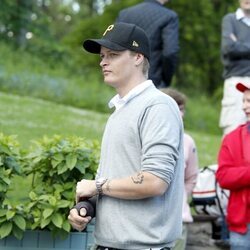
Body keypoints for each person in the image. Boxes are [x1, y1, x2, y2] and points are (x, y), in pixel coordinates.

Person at [68, 22, 184, 250]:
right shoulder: (118, 113)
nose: (103, 62)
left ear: (138, 57)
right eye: (102, 56)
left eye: (113, 54)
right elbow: (109, 183)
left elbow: (155, 181)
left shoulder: (157, 106)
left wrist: (97, 186)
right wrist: (86, 208)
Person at [161, 88, 199, 250]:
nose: (180, 114)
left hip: (178, 220)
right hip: (151, 221)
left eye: (182, 109)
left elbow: (191, 177)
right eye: (175, 107)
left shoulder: (188, 141)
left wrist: (181, 197)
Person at [216, 82, 250, 249]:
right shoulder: (232, 138)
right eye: (244, 101)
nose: (245, 106)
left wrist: (241, 174)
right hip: (242, 226)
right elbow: (223, 176)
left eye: (249, 101)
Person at [116, 0, 179, 88]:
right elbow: (169, 52)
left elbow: (115, 45)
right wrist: (165, 80)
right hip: (152, 80)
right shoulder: (169, 16)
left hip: (125, 78)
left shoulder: (124, 13)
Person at [219, 0, 250, 135]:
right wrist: (234, 45)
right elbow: (229, 48)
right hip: (236, 82)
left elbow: (236, 47)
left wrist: (239, 44)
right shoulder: (230, 20)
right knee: (233, 129)